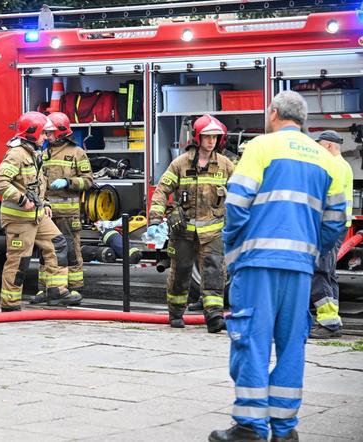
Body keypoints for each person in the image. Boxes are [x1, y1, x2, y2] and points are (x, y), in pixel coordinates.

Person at [210, 91, 346, 442]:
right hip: (300, 268)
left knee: (252, 341)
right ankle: (284, 430)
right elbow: (335, 222)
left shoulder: (261, 147)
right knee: (291, 345)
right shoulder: (326, 158)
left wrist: (232, 250)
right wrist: (312, 253)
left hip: (258, 263)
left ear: (273, 113)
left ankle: (251, 427)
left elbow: (237, 204)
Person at [148, 114, 234, 332]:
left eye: (215, 137)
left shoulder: (225, 165)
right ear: (197, 137)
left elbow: (240, 194)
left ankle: (214, 316)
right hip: (183, 231)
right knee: (181, 271)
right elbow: (161, 191)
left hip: (213, 231)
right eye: (207, 137)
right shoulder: (180, 163)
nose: (211, 141)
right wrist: (155, 219)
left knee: (215, 272)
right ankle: (176, 313)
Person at [0, 111, 80, 312]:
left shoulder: (34, 152)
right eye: (43, 133)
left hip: (36, 214)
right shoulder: (16, 154)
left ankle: (57, 291)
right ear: (32, 133)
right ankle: (10, 303)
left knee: (58, 243)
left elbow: (38, 184)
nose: (46, 137)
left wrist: (45, 203)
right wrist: (21, 199)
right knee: (19, 260)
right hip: (18, 218)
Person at [31, 112, 93, 304]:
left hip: (68, 213)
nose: (46, 135)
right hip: (47, 212)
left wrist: (67, 182)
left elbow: (88, 181)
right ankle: (46, 289)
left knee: (71, 251)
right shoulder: (42, 153)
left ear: (60, 132)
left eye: (49, 132)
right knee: (46, 252)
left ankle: (73, 289)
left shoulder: (77, 153)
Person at [309, 130, 353, 339]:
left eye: (318, 146)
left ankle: (328, 324)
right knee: (328, 272)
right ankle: (332, 320)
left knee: (320, 273)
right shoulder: (344, 165)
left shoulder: (333, 165)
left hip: (329, 227)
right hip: (338, 226)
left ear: (327, 146)